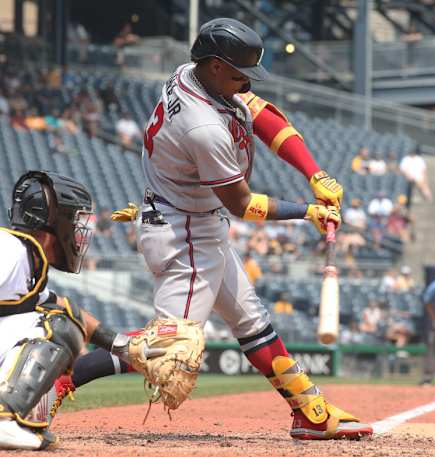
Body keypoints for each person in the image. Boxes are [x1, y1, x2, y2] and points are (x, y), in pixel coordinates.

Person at [67, 18, 372, 440]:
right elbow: (241, 203)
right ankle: (56, 382)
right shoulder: (203, 127)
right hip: (185, 234)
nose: (246, 83)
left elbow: (261, 113)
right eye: (238, 74)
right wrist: (307, 211)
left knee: (252, 323)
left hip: (193, 223)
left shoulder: (191, 74)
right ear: (213, 65)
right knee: (171, 349)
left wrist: (313, 172)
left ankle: (309, 410)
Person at [0, 171, 145, 450]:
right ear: (53, 227)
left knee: (62, 317)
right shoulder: (10, 251)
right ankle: (4, 416)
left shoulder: (26, 259)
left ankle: (15, 420)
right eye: (74, 222)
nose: (78, 234)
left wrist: (130, 349)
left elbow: (72, 312)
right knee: (58, 324)